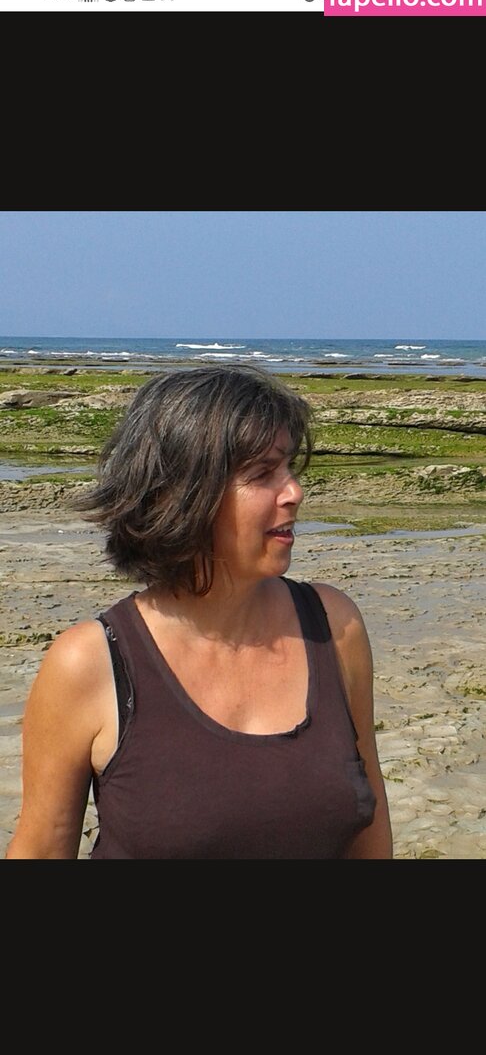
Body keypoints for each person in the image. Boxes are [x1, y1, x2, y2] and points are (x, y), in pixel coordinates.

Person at [5, 364, 392, 860]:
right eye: (263, 473)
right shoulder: (90, 662)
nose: (294, 491)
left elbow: (371, 840)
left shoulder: (334, 627)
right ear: (181, 493)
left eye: (289, 467)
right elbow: (40, 849)